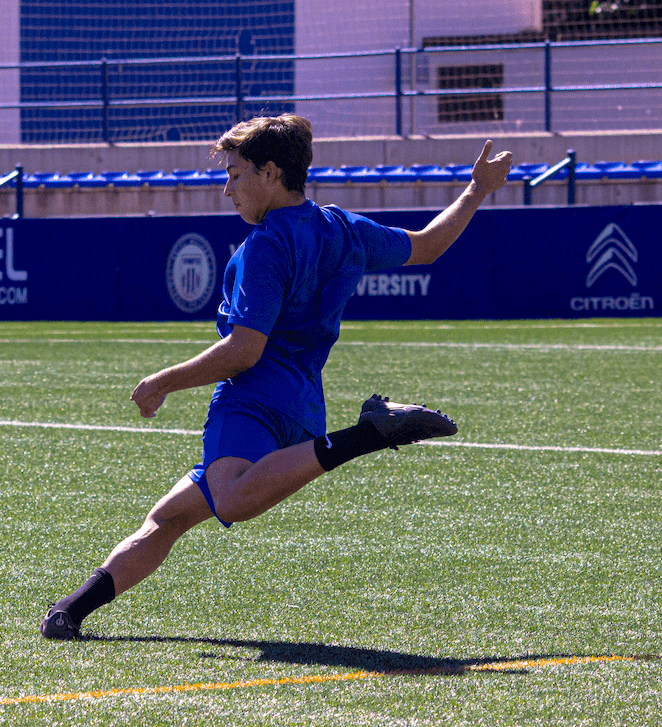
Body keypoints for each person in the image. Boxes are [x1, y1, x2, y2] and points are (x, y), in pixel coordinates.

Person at [41, 113, 514, 640]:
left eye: (236, 175)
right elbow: (427, 245)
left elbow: (244, 350)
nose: (227, 189)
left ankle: (363, 436)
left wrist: (163, 382)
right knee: (169, 518)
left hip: (252, 402)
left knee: (235, 498)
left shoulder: (266, 244)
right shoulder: (342, 227)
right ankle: (70, 610)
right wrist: (475, 190)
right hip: (302, 411)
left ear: (270, 172)